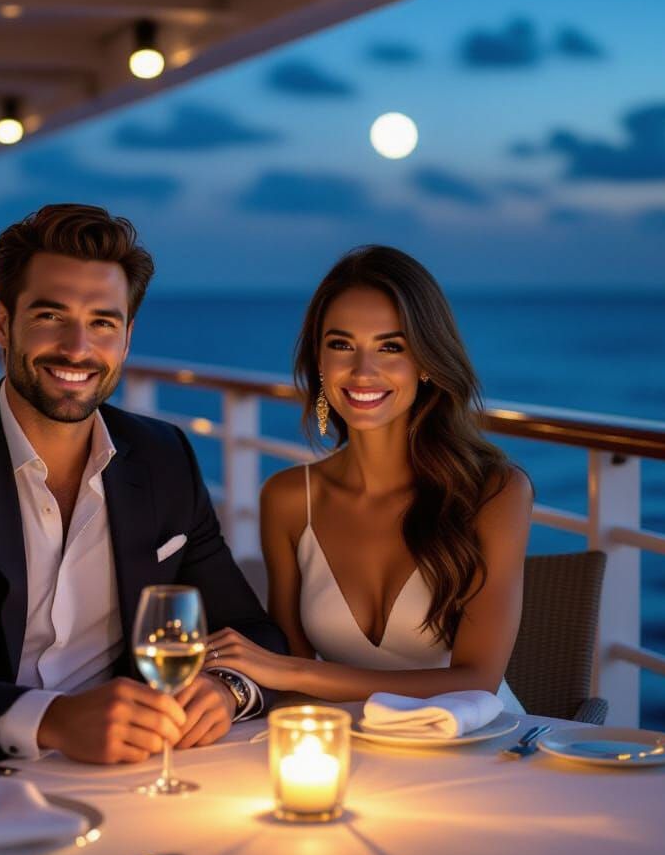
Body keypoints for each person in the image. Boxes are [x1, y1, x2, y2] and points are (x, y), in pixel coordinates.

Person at [0, 204, 286, 765]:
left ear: (127, 336)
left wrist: (226, 689)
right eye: (50, 316)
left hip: (125, 777)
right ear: (2, 323)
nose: (77, 348)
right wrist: (51, 720)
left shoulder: (164, 458)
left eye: (102, 323)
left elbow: (252, 632)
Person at [207, 246, 531, 709]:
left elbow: (476, 681)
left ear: (425, 363)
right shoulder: (288, 499)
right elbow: (292, 683)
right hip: (350, 748)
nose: (362, 372)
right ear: (319, 362)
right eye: (341, 345)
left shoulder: (495, 492)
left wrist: (294, 670)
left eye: (390, 347)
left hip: (476, 744)